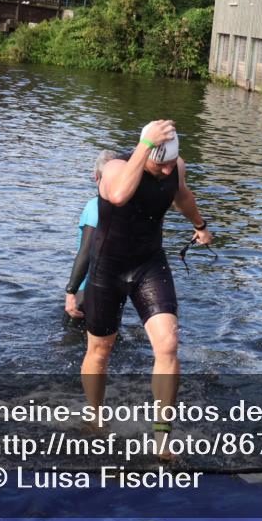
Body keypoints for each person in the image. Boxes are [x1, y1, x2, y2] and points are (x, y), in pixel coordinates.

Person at [81, 120, 211, 454]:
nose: (168, 170)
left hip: (148, 263)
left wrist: (200, 225)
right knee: (101, 349)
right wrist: (144, 147)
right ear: (145, 150)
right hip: (107, 268)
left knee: (168, 344)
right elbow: (121, 195)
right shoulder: (114, 169)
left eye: (172, 162)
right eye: (161, 162)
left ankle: (161, 437)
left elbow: (182, 195)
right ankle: (95, 416)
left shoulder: (175, 167)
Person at [64, 150, 118, 325]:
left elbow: (87, 251)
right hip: (115, 291)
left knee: (68, 344)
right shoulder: (128, 207)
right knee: (109, 343)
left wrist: (71, 292)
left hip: (88, 288)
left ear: (96, 176)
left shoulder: (95, 207)